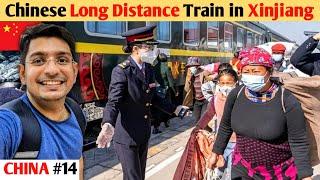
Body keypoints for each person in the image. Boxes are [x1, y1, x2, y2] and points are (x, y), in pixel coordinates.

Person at [96, 25, 188, 180]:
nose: (153, 50)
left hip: (143, 134)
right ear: (136, 49)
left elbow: (154, 97)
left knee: (139, 176)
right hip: (127, 136)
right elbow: (113, 101)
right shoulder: (122, 71)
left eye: (152, 46)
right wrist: (107, 123)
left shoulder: (148, 69)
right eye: (149, 47)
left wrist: (175, 109)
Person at [208, 47, 313, 179]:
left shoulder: (286, 100)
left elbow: (298, 141)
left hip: (280, 173)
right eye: (246, 71)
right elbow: (225, 126)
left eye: (256, 71)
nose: (250, 75)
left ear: (269, 71)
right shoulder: (236, 94)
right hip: (242, 168)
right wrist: (216, 152)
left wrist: (305, 175)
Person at [0, 24, 85, 178]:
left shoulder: (76, 113)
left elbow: (76, 162)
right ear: (23, 74)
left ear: (74, 71)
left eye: (62, 60)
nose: (52, 70)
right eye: (38, 60)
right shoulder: (8, 122)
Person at [152, 53, 177, 134]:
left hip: (157, 90)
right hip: (165, 90)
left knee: (157, 109)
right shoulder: (166, 68)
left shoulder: (154, 67)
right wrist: (175, 90)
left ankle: (156, 127)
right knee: (167, 105)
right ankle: (166, 122)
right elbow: (170, 81)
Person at [183, 57, 208, 122]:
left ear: (197, 66)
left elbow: (211, 79)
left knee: (203, 119)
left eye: (193, 66)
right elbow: (186, 89)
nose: (191, 68)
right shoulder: (190, 76)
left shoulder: (203, 73)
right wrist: (189, 78)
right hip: (197, 101)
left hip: (205, 100)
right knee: (196, 119)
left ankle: (206, 130)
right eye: (190, 67)